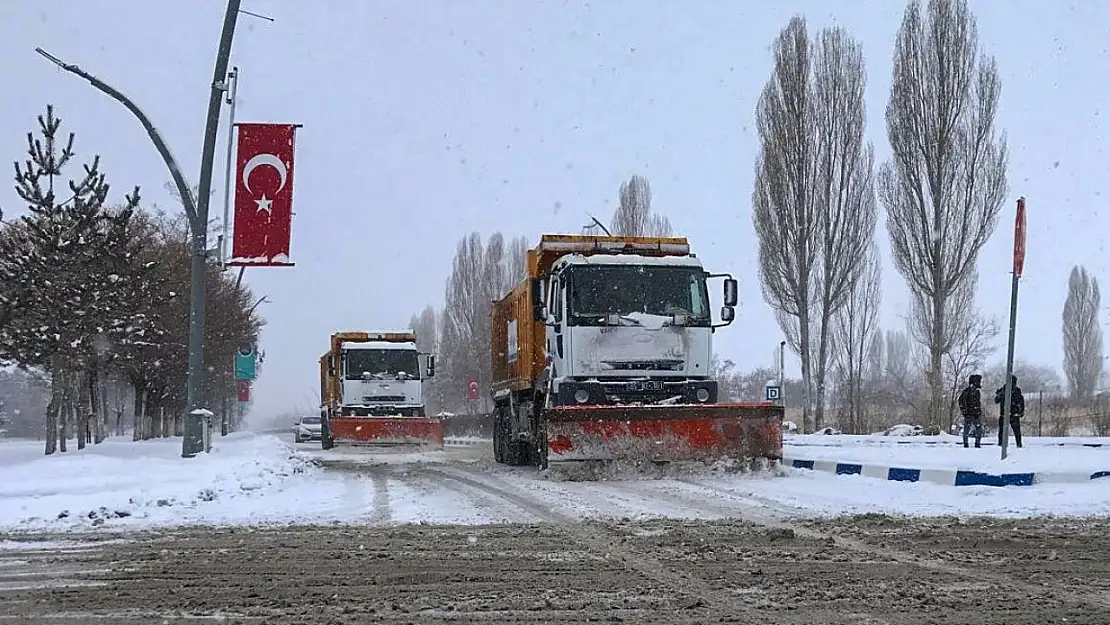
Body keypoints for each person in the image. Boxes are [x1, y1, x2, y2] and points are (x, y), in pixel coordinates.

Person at [994, 375, 1025, 448]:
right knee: (1002, 431)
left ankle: (1018, 444)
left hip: (1013, 414)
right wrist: (1000, 395)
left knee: (1016, 431)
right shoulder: (1004, 389)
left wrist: (1021, 411)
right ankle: (1001, 444)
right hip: (1005, 414)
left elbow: (1021, 402)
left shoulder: (1017, 391)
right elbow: (996, 400)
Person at [958, 374, 984, 448]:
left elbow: (977, 403)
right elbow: (961, 401)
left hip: (975, 413)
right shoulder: (967, 392)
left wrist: (978, 410)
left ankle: (975, 443)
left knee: (974, 428)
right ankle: (969, 443)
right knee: (970, 428)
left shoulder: (975, 392)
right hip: (970, 413)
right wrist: (964, 411)